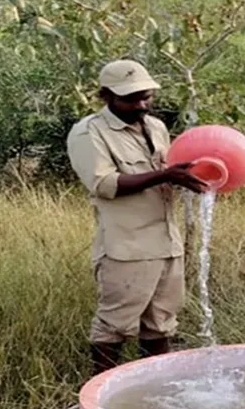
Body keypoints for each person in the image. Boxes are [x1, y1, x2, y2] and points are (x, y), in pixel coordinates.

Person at [66, 60, 207, 379]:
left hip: (167, 243)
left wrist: (194, 176)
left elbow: (167, 173)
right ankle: (100, 396)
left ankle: (153, 388)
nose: (141, 105)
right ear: (106, 96)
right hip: (126, 246)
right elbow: (104, 184)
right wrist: (164, 175)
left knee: (161, 324)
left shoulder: (155, 127)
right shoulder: (89, 132)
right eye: (131, 98)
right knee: (113, 326)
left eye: (146, 97)